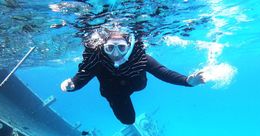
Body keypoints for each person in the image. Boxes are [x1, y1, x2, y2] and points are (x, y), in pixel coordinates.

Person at [60, 29, 205, 125]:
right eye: (110, 48)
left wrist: (187, 81)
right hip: (114, 92)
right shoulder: (98, 59)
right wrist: (73, 85)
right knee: (128, 120)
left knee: (139, 86)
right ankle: (115, 100)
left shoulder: (141, 58)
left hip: (135, 84)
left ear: (129, 46)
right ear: (103, 46)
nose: (115, 53)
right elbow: (85, 73)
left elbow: (163, 72)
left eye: (121, 47)